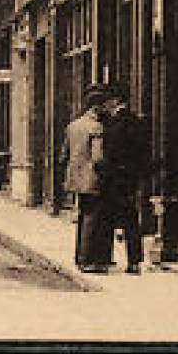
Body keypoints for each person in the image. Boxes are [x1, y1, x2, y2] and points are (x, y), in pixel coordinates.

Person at [99, 81, 152, 274]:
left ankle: (105, 258)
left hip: (114, 178)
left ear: (115, 100)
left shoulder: (112, 124)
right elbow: (143, 151)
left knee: (107, 219)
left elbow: (109, 152)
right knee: (131, 219)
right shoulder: (136, 121)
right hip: (130, 178)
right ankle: (134, 261)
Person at [61, 85, 111, 273]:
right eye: (103, 106)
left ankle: (79, 257)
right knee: (92, 218)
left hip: (76, 179)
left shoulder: (73, 125)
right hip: (92, 179)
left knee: (83, 216)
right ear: (96, 108)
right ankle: (88, 261)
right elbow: (98, 157)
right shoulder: (96, 127)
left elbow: (64, 154)